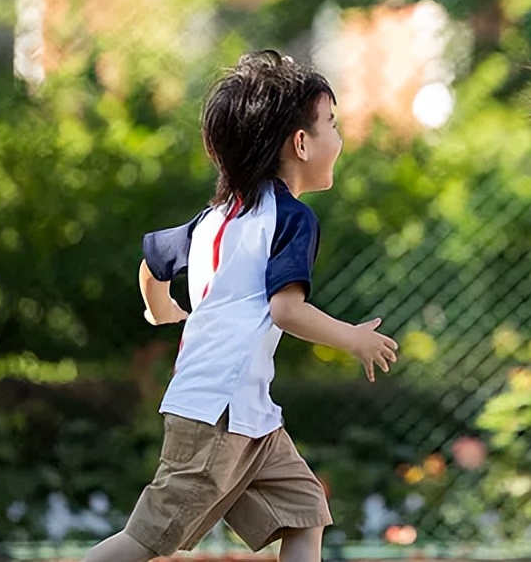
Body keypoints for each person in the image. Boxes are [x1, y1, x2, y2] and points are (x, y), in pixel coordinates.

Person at [85, 50, 399, 562]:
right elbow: (286, 310)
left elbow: (151, 264)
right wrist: (353, 337)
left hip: (248, 416)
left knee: (304, 510)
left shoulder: (214, 218)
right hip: (218, 413)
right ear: (301, 143)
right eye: (331, 125)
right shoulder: (292, 219)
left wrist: (160, 311)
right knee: (147, 541)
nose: (339, 140)